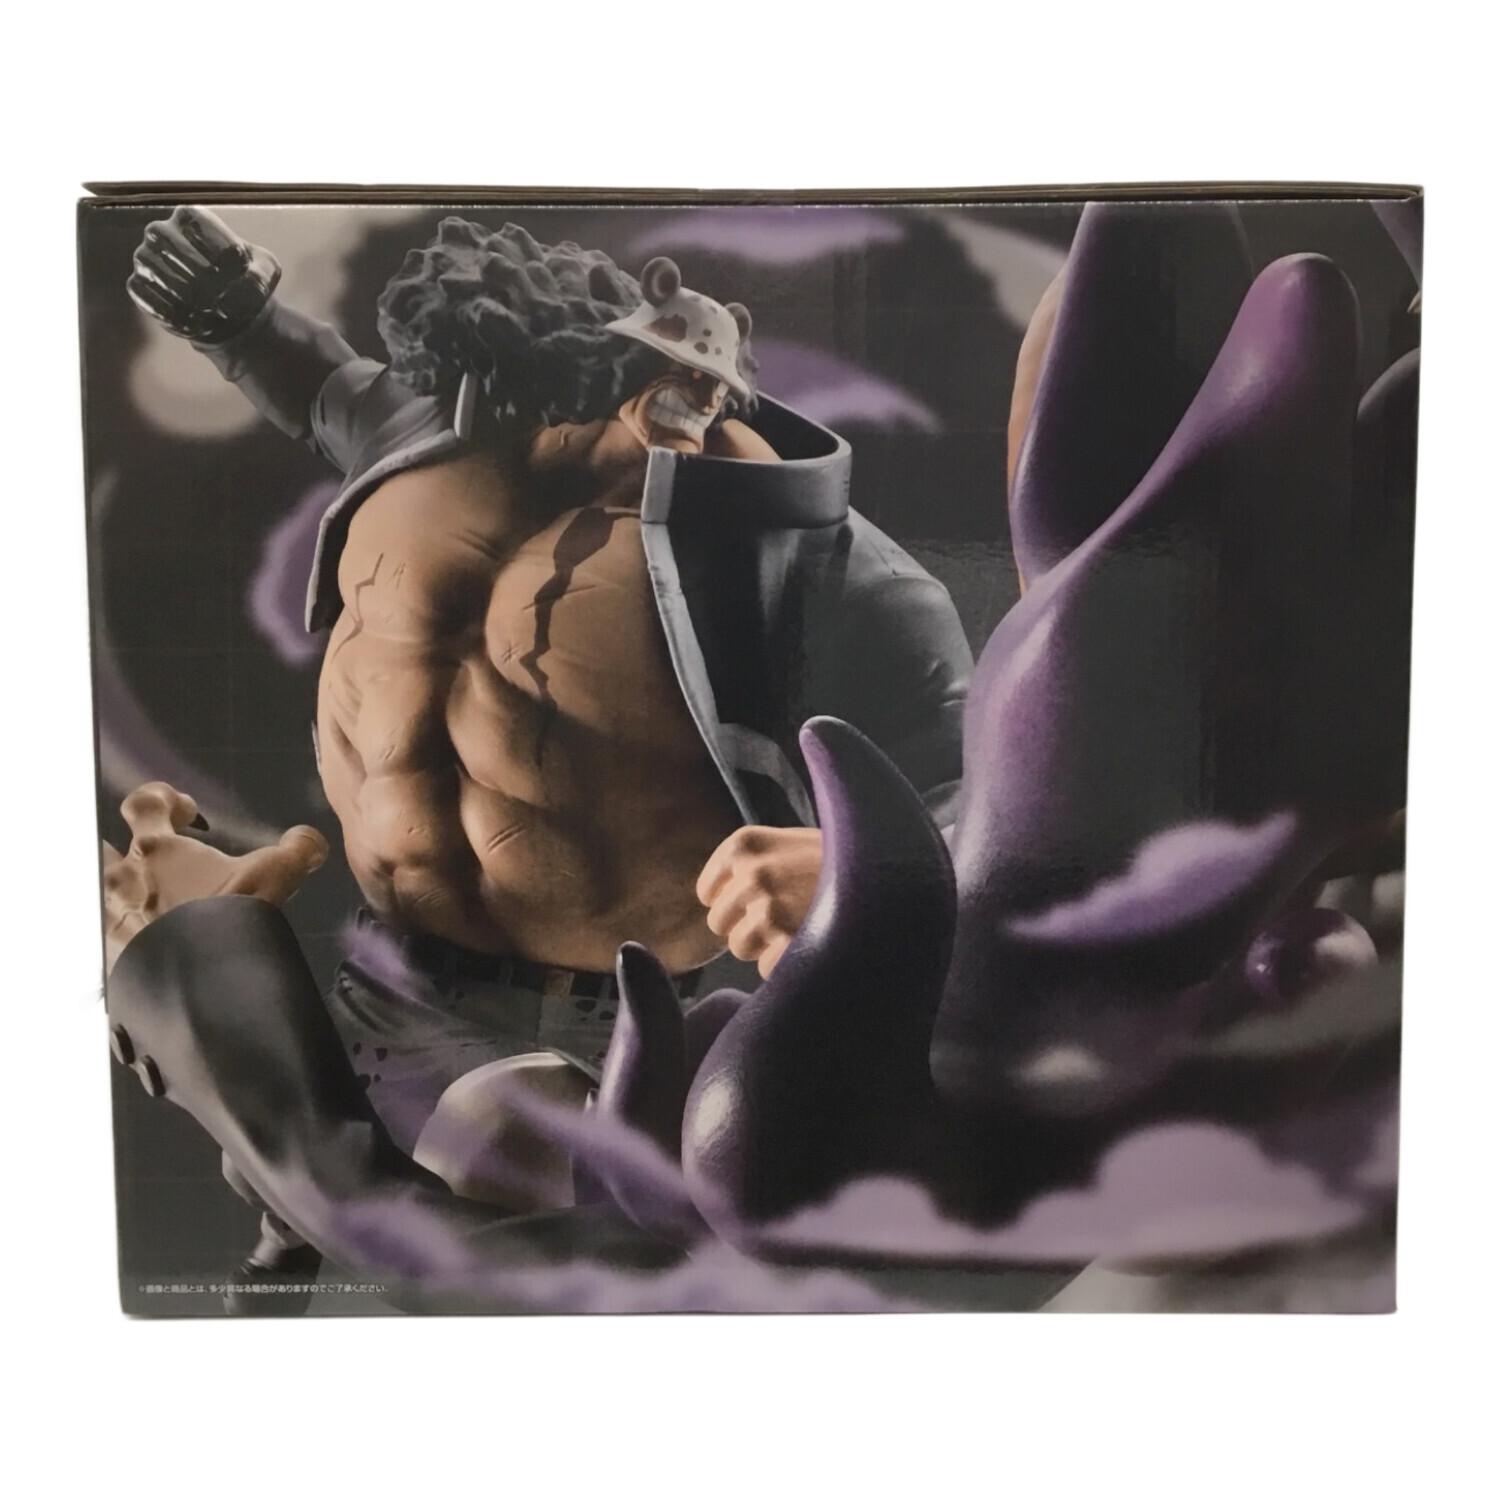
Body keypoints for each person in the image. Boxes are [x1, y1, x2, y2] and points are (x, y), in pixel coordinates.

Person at [108, 208, 972, 1297]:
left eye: (707, 383)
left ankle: (297, 1188)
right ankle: (289, 1199)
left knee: (570, 1272)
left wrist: (862, 872)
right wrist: (230, 310)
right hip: (375, 981)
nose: (692, 404)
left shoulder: (817, 565)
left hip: (608, 1029)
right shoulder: (422, 435)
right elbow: (311, 378)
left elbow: (987, 812)